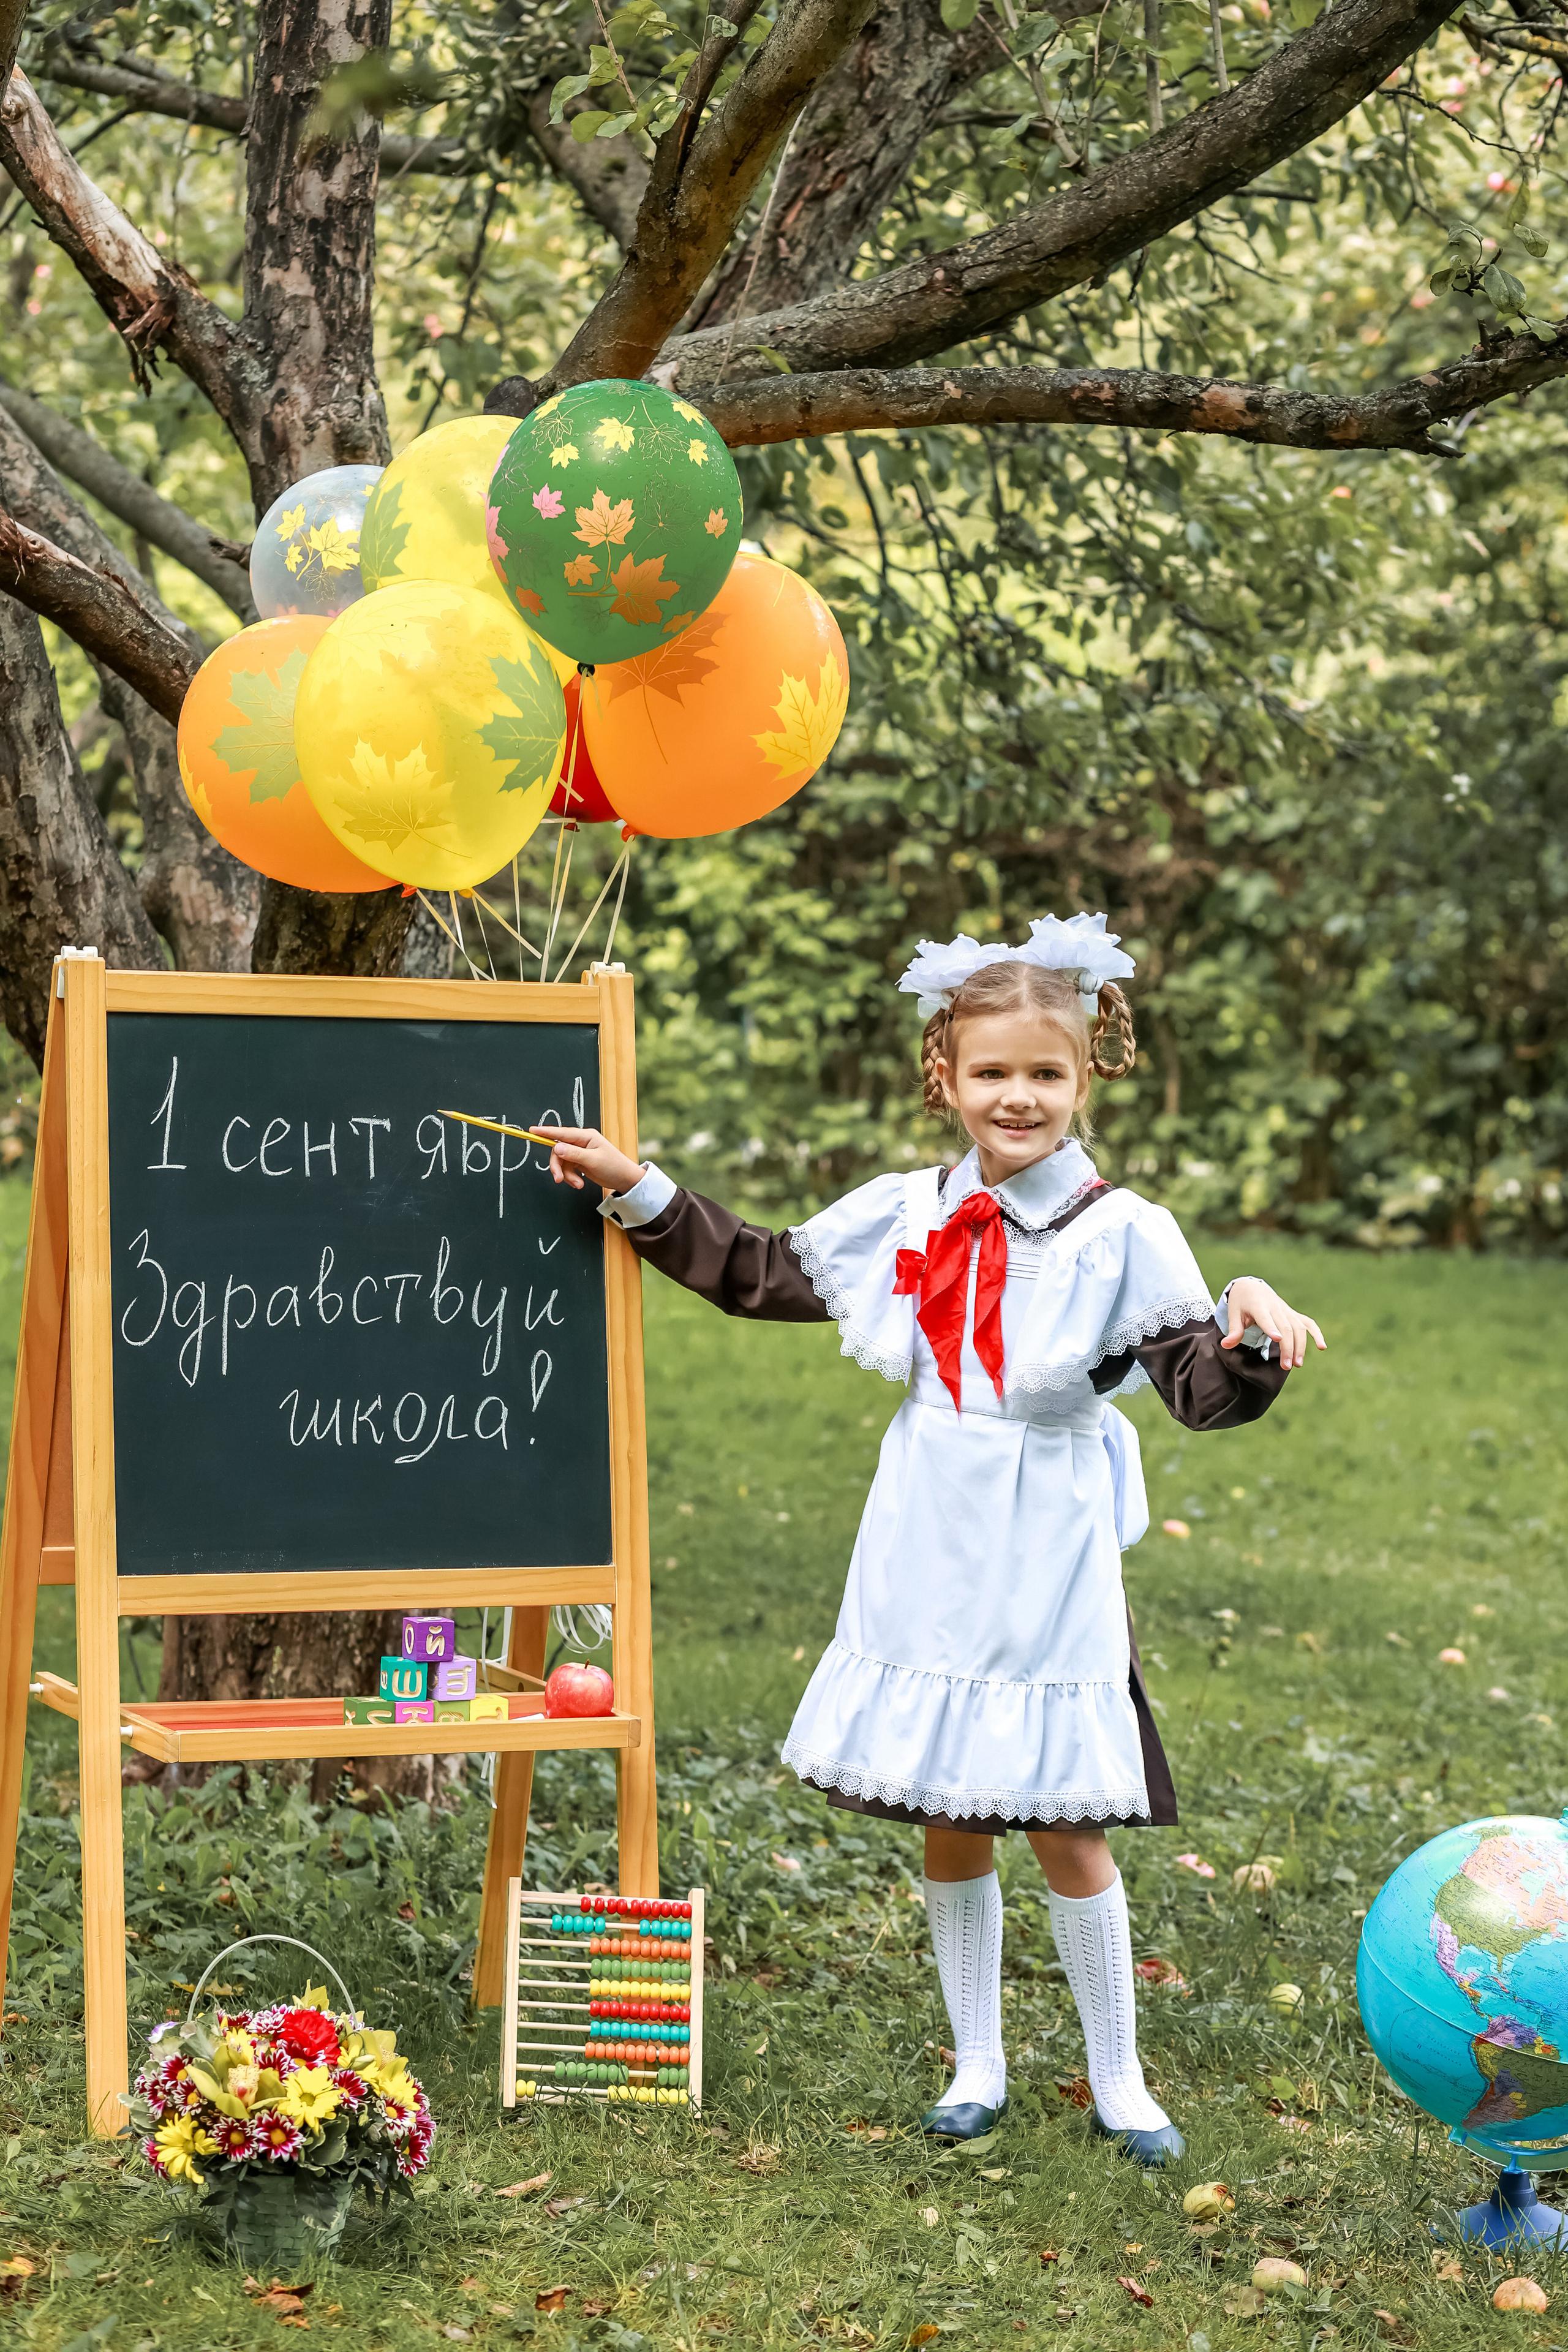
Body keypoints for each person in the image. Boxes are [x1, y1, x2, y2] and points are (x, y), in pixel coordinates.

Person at [546, 914, 1325, 2162]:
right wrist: (632, 1184)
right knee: (948, 1804)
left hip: (1046, 1532)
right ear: (945, 1080)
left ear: (1086, 1077)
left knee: (1063, 1818)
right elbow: (759, 1272)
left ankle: (1118, 2076)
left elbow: (1198, 1388)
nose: (1017, 1098)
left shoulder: (1127, 1232)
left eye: (1044, 1074)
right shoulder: (906, 1211)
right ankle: (976, 2062)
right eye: (992, 1073)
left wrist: (1248, 1325)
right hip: (927, 1517)